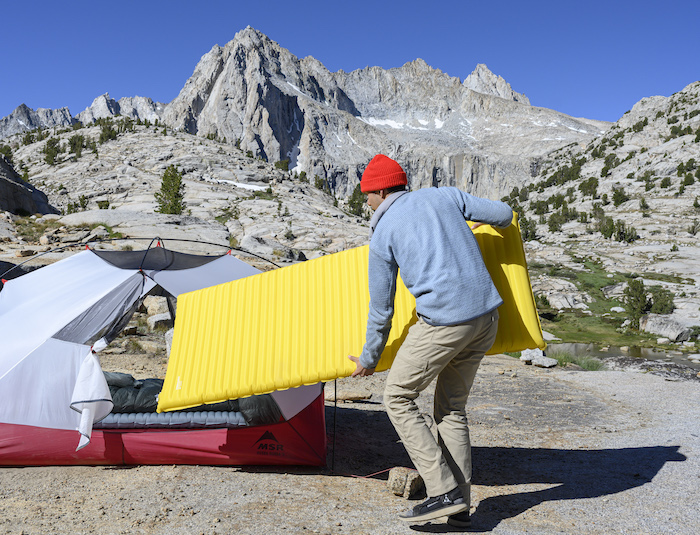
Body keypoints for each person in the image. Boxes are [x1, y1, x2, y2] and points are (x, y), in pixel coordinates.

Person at [348, 154, 513, 527]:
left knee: (397, 396)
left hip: (444, 323)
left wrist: (369, 358)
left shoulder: (384, 233)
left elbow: (382, 309)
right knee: (450, 409)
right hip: (486, 317)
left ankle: (442, 490)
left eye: (367, 195)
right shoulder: (444, 196)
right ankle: (461, 505)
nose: (366, 202)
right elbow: (503, 214)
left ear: (381, 190)